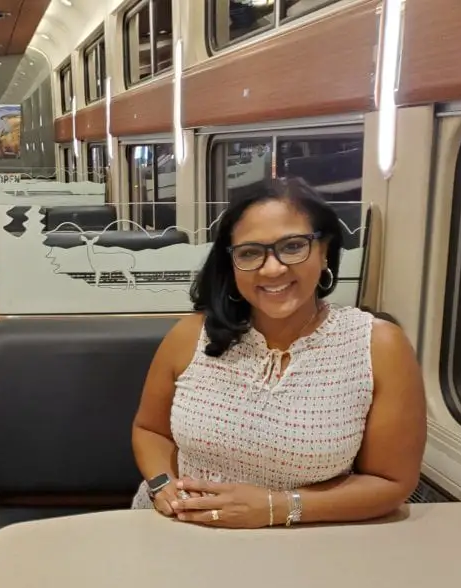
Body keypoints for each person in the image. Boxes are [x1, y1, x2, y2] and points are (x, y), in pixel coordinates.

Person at [130, 177, 426, 528]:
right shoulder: (190, 336)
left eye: (292, 246)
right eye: (250, 253)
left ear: (325, 250)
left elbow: (392, 483)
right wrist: (163, 484)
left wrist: (278, 507)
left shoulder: (378, 347)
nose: (273, 268)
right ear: (232, 264)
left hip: (307, 540)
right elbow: (150, 430)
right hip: (176, 526)